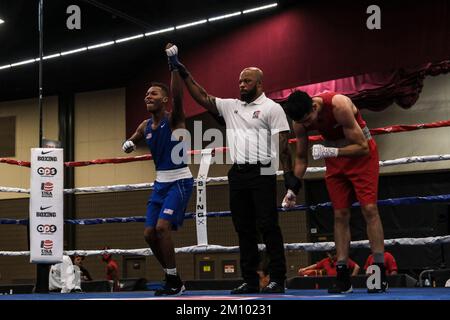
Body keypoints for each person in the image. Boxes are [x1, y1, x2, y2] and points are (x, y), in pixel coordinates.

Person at [165, 43, 295, 294]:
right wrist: (182, 70)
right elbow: (202, 96)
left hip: (264, 169)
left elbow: (284, 146)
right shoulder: (231, 106)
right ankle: (250, 279)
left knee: (268, 225)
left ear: (259, 84)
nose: (241, 85)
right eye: (240, 81)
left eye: (247, 81)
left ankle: (278, 278)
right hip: (237, 172)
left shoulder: (272, 108)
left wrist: (289, 177)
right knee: (243, 227)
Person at [282, 90, 386, 294]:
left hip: (362, 158)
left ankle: (379, 273)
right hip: (336, 163)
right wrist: (292, 189)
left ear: (314, 106)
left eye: (308, 119)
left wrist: (331, 151)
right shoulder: (300, 122)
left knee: (369, 209)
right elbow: (302, 159)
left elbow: (363, 147)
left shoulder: (338, 105)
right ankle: (342, 277)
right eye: (302, 122)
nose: (307, 125)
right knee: (340, 214)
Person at [122, 50, 194, 296]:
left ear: (164, 100)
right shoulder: (145, 125)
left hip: (180, 181)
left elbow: (177, 95)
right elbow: (137, 135)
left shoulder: (174, 119)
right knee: (148, 234)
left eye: (153, 93)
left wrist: (173, 66)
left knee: (162, 228)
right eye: (146, 94)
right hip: (160, 183)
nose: (147, 96)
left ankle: (173, 281)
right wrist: (130, 142)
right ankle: (173, 278)